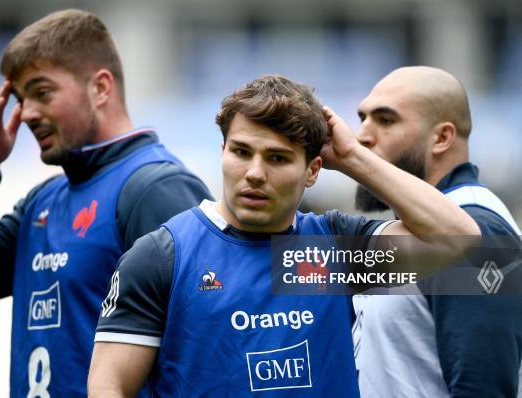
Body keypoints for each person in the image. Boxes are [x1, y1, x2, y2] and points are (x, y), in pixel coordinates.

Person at [87, 75, 480, 397]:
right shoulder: (163, 255)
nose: (255, 172)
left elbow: (458, 238)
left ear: (313, 171)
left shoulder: (335, 250)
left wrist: (356, 158)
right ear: (223, 151)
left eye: (277, 158)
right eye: (241, 152)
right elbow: (110, 386)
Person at [0, 9, 212, 397]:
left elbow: (207, 342)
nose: (26, 114)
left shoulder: (154, 188)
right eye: (20, 99)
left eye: (41, 92)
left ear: (100, 88)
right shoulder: (44, 203)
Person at [352, 66, 522, 397]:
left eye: (385, 120)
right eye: (363, 118)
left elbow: (482, 389)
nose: (361, 136)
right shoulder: (422, 227)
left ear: (442, 138)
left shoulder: (476, 229)